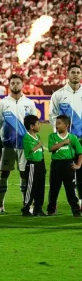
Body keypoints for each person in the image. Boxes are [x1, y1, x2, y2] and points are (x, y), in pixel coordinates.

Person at [0, 74, 37, 212]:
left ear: (22, 85)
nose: (15, 85)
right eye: (13, 83)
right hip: (8, 146)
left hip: (24, 146)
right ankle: (0, 204)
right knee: (4, 173)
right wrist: (3, 139)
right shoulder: (3, 103)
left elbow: (34, 125)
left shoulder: (29, 103)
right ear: (9, 85)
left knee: (24, 174)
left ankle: (26, 203)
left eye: (18, 83)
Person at [49, 64, 82, 207]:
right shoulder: (58, 94)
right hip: (65, 140)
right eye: (73, 72)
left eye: (78, 72)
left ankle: (80, 202)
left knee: (81, 173)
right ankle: (53, 205)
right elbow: (52, 115)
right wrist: (58, 136)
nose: (75, 74)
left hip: (81, 139)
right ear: (67, 75)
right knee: (63, 174)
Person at [47, 115, 82, 217]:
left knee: (70, 188)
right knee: (54, 188)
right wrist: (63, 143)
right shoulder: (52, 136)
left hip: (68, 165)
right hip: (56, 165)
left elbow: (80, 152)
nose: (56, 125)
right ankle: (51, 209)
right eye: (56, 123)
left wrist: (78, 164)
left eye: (59, 123)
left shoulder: (72, 138)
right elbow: (51, 149)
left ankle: (75, 210)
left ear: (66, 125)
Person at [21, 115, 46, 216]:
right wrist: (39, 145)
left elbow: (41, 152)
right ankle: (26, 208)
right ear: (32, 126)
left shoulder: (38, 137)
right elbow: (29, 151)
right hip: (32, 165)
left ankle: (38, 209)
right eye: (38, 124)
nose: (39, 125)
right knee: (31, 188)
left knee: (41, 187)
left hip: (40, 164)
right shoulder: (27, 137)